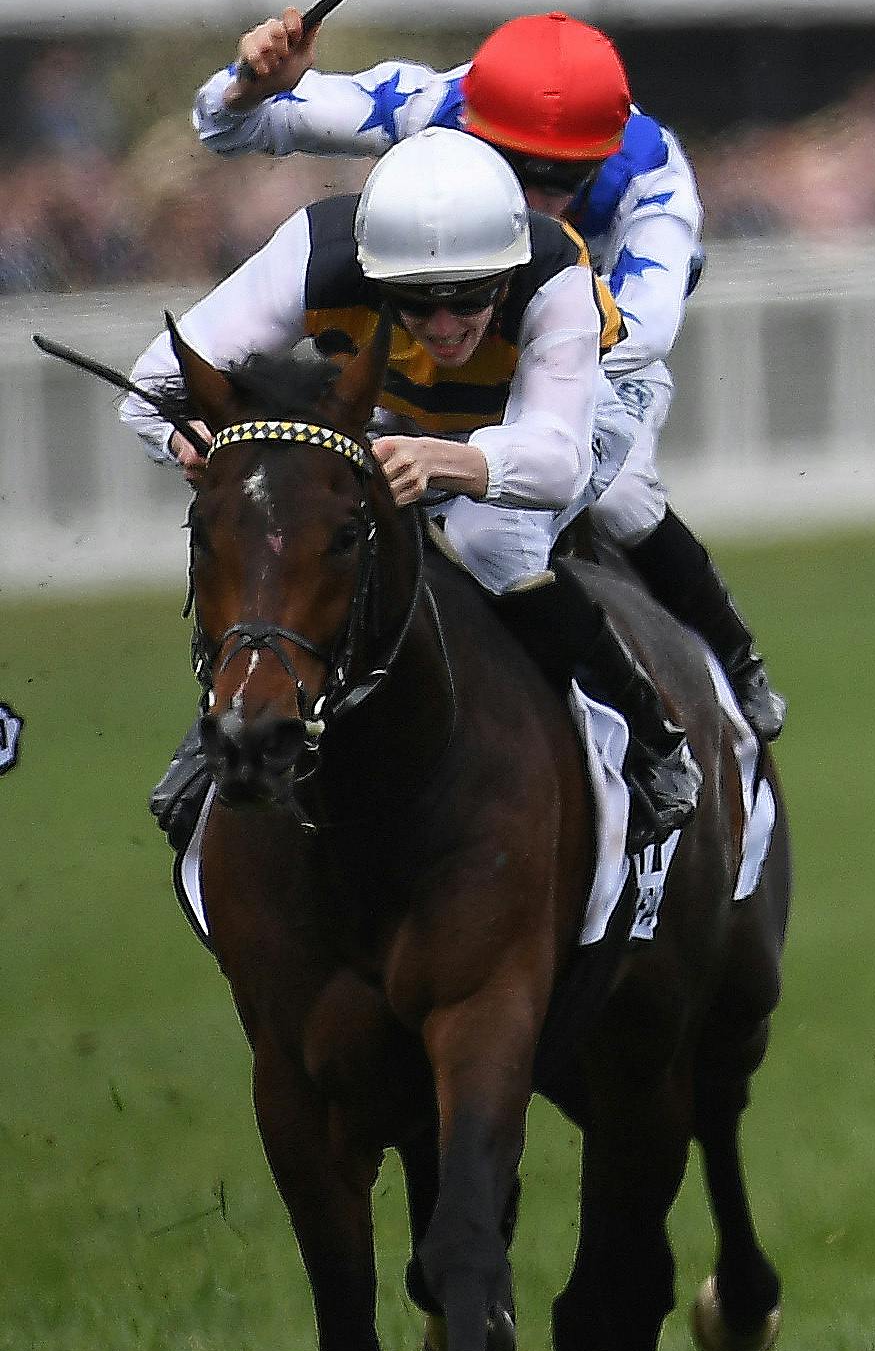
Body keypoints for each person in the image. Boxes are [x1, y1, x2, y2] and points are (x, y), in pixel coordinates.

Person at [195, 6, 787, 740]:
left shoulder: (654, 178)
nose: (536, 205)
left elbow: (644, 330)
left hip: (585, 359)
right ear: (472, 130)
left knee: (607, 498)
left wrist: (521, 373)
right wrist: (250, 84)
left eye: (566, 180)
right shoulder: (431, 105)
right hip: (439, 344)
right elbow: (223, 128)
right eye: (515, 173)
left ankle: (724, 664)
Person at [129, 130, 706, 848]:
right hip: (398, 418)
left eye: (468, 301)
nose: (443, 327)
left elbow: (556, 459)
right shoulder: (315, 254)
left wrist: (447, 462)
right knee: (296, 524)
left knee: (485, 536)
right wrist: (188, 439)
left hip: (554, 416)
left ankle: (651, 733)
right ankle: (235, 713)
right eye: (415, 303)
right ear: (376, 277)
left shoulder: (553, 270)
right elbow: (151, 383)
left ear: (507, 272)